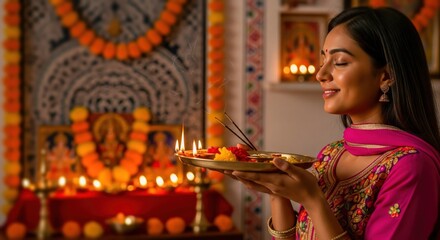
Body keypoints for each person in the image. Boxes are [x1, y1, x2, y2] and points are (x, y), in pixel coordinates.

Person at [228, 6, 440, 240]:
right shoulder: (332, 154)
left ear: (386, 76)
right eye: (323, 60)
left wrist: (312, 200)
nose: (321, 74)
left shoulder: (411, 167)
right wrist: (276, 189)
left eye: (339, 62)